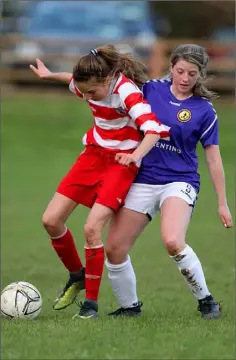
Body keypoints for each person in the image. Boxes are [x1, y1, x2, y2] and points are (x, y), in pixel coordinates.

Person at [29, 45, 170, 319]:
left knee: (92, 228)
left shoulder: (126, 92)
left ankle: (90, 305)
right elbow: (71, 82)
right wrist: (48, 75)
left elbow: (153, 129)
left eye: (91, 92)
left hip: (121, 163)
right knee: (51, 220)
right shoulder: (87, 85)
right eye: (84, 92)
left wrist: (135, 156)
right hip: (92, 156)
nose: (87, 97)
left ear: (107, 80)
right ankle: (77, 275)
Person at [104, 44, 233, 320]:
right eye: (180, 71)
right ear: (171, 66)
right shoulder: (151, 90)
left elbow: (213, 160)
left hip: (180, 181)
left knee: (173, 241)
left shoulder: (205, 111)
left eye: (192, 73)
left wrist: (222, 203)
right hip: (145, 178)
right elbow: (117, 97)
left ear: (201, 75)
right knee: (114, 248)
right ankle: (130, 308)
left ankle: (206, 301)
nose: (185, 78)